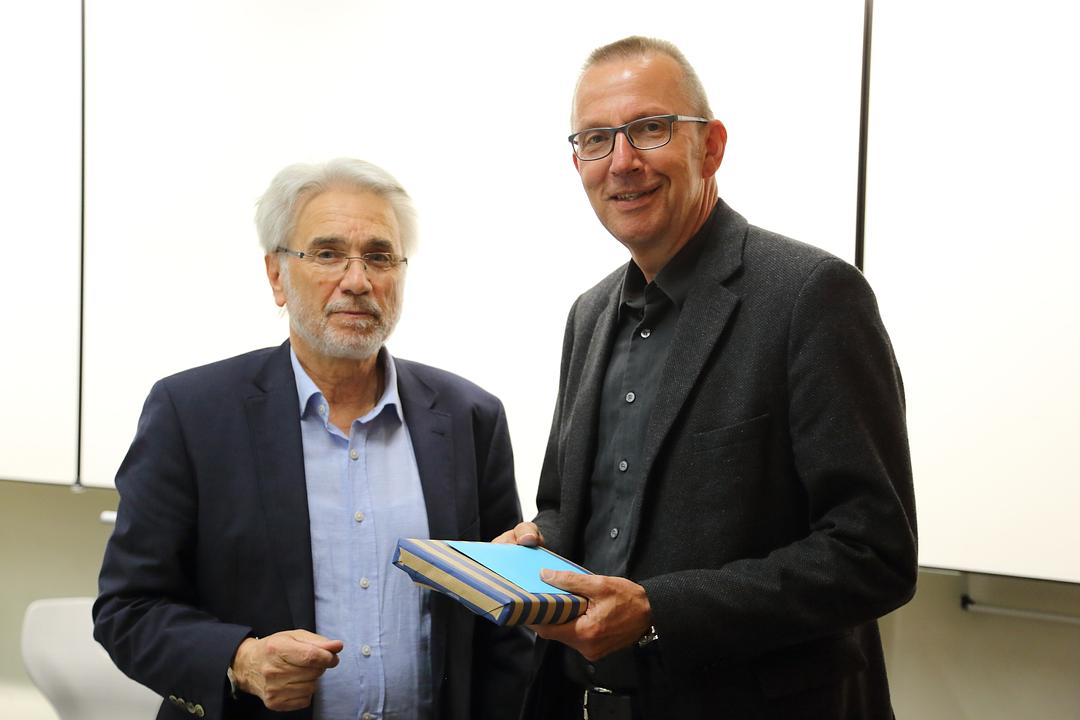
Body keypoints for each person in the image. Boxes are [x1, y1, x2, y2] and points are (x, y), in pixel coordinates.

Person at [496, 36, 917, 719]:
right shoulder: (589, 314)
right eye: (597, 139)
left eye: (650, 128)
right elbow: (574, 507)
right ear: (578, 163)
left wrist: (658, 611)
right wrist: (535, 543)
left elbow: (873, 554)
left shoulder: (811, 295)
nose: (622, 162)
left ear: (711, 147)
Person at [94, 158, 532, 720]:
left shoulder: (470, 418)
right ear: (277, 275)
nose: (357, 280)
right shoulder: (192, 415)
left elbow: (504, 621)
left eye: (380, 257)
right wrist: (240, 660)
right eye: (327, 254)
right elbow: (128, 608)